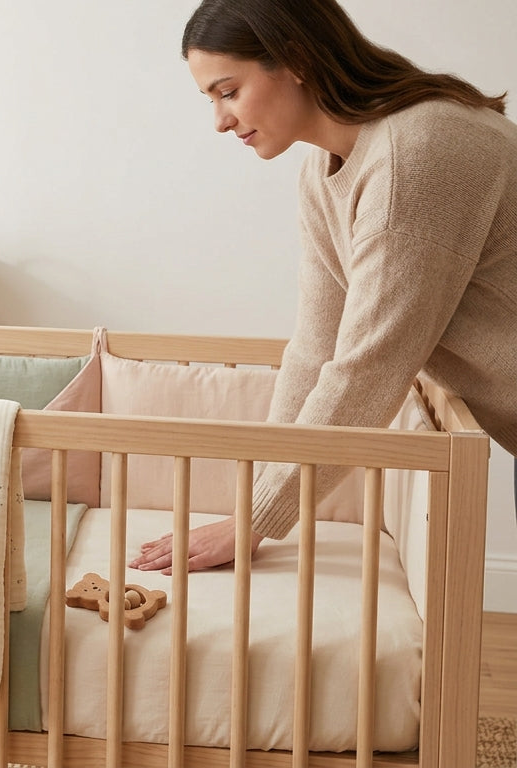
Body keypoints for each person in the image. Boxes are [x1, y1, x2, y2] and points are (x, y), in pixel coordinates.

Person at [129, 0, 517, 574]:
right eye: (210, 98)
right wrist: (252, 511)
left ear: (296, 60)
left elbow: (369, 366)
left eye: (228, 91)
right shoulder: (326, 170)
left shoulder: (417, 153)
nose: (219, 120)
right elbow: (317, 347)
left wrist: (257, 519)